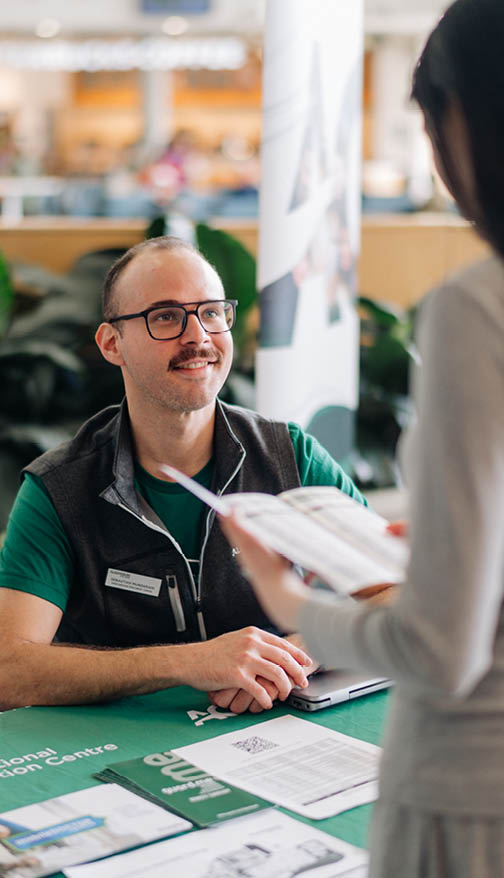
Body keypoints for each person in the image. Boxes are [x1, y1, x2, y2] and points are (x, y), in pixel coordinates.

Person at [220, 1, 504, 875]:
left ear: (466, 119)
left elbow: (438, 651)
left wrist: (286, 599)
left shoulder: (477, 310)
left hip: (470, 794)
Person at [0, 236, 367, 714]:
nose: (198, 337)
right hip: (115, 753)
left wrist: (293, 654)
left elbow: (399, 592)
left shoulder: (287, 456)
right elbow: (9, 670)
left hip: (273, 727)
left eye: (211, 313)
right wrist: (189, 662)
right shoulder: (59, 489)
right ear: (113, 344)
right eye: (166, 317)